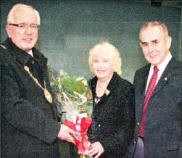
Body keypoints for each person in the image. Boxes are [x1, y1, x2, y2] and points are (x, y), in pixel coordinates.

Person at [0, 3, 77, 158]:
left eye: (33, 26)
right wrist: (55, 129)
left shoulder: (38, 59)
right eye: (21, 26)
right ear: (9, 29)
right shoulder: (3, 58)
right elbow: (14, 107)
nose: (28, 32)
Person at [130, 21, 182, 158]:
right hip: (136, 150)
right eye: (145, 44)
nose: (150, 49)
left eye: (155, 42)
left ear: (168, 42)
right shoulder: (139, 74)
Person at [87, 41, 135, 158]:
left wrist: (104, 145)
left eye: (105, 61)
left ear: (114, 64)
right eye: (96, 61)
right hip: (87, 152)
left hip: (113, 154)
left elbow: (127, 128)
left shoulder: (125, 88)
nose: (100, 66)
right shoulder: (87, 86)